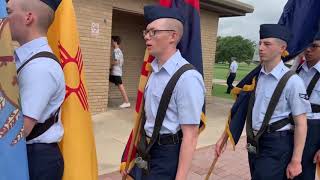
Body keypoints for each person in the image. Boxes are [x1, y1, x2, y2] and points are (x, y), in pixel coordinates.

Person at [215, 24, 310, 180]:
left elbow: (301, 123)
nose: (260, 48)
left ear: (282, 48)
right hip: (255, 142)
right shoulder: (255, 78)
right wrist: (223, 138)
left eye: (267, 44)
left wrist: (296, 161)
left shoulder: (292, 81)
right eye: (260, 43)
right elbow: (241, 109)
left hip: (277, 144)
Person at [121, 5, 205, 180]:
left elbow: (190, 136)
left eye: (153, 32)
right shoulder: (153, 70)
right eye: (146, 32)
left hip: (166, 154)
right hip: (145, 148)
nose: (146, 37)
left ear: (173, 36)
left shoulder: (187, 78)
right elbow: (146, 120)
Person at [7, 0, 65, 179]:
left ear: (28, 17)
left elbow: (20, 129)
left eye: (8, 12)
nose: (4, 18)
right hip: (26, 154)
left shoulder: (40, 67)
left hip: (35, 160)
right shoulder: (25, 59)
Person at [294, 31, 320, 180]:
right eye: (307, 45)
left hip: (313, 129)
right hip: (293, 125)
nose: (308, 49)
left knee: (304, 173)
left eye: (314, 46)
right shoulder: (296, 70)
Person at [109, 35, 130, 108]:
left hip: (116, 72)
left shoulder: (116, 51)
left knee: (121, 86)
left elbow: (117, 62)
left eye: (112, 41)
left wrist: (110, 65)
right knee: (119, 86)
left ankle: (127, 102)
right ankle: (127, 102)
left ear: (115, 42)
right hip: (115, 72)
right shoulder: (118, 51)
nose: (111, 43)